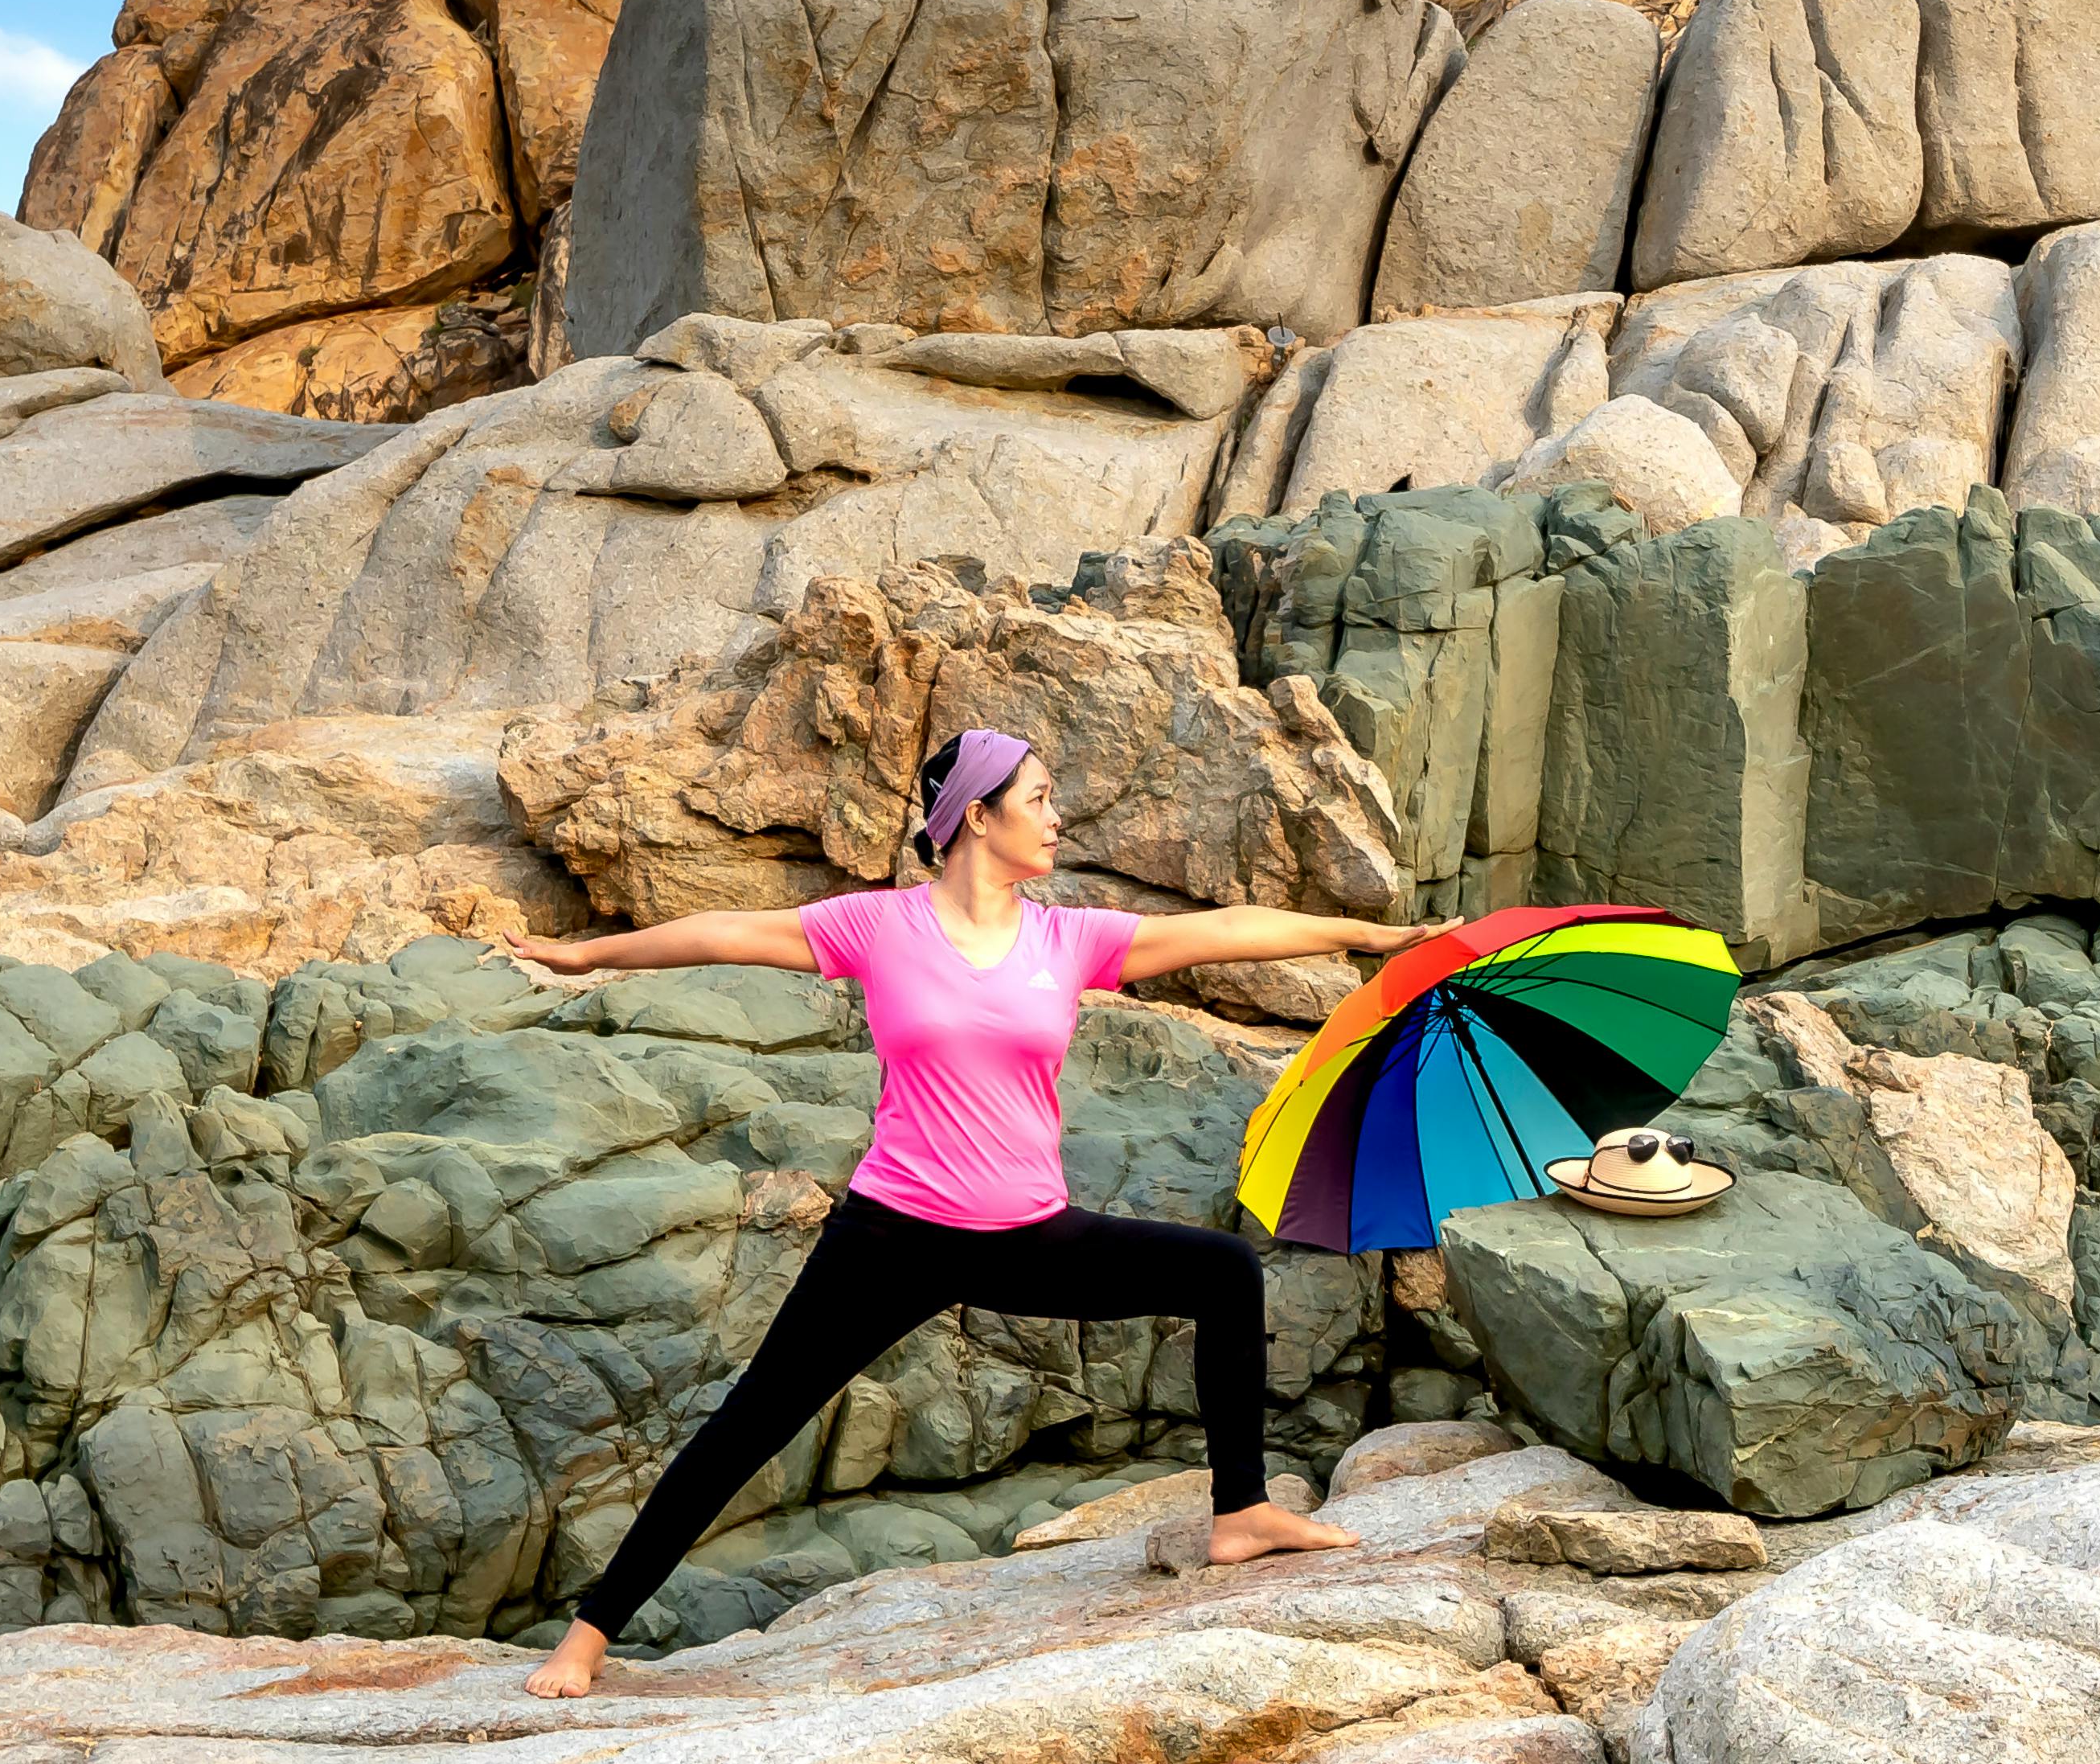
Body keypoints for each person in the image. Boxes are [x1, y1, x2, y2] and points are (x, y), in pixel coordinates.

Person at [498, 724, 1417, 1696]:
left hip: (1029, 1238)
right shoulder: (877, 927)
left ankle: (1242, 1512)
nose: (1055, 817)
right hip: (889, 1238)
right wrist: (586, 953)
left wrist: (1365, 939)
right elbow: (724, 932)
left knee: (1222, 1271)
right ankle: (588, 1637)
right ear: (976, 816)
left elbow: (1224, 931)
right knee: (747, 1426)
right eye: (1038, 798)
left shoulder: (1067, 939)